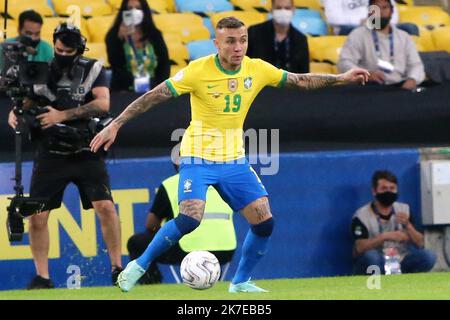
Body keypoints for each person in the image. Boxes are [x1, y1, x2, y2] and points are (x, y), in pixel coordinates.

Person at [90, 16, 369, 293]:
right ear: (217, 43)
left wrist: (341, 78)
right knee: (189, 218)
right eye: (231, 41)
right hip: (197, 156)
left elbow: (300, 81)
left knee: (264, 222)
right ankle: (138, 266)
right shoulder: (197, 71)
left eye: (243, 40)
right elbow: (154, 95)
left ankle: (240, 282)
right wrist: (116, 124)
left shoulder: (256, 68)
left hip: (234, 159)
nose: (238, 47)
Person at [7, 23, 122, 289]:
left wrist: (63, 115)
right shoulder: (41, 69)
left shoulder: (93, 68)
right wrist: (17, 112)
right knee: (38, 215)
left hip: (87, 148)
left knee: (105, 207)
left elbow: (103, 103)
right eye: (58, 49)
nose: (62, 54)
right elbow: (27, 101)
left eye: (68, 51)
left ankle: (118, 268)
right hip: (50, 153)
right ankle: (43, 276)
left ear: (78, 50)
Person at [127, 160, 236, 284]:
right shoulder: (220, 181)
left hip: (187, 249)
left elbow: (151, 225)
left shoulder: (171, 184)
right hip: (226, 251)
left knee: (136, 243)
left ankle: (151, 286)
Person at [351, 170, 436, 275]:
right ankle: (376, 285)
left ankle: (407, 284)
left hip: (400, 260)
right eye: (384, 189)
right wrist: (385, 237)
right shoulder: (361, 215)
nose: (388, 192)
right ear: (374, 191)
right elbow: (359, 248)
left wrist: (408, 226)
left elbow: (421, 243)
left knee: (429, 256)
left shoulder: (404, 209)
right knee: (371, 257)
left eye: (392, 188)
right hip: (377, 261)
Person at [337, 0, 425, 90]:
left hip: (400, 87)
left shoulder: (404, 37)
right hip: (369, 88)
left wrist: (412, 79)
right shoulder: (357, 35)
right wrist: (365, 74)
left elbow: (416, 65)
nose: (380, 12)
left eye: (385, 8)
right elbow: (344, 63)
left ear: (392, 11)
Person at [105, 0, 170, 93]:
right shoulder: (113, 36)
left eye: (138, 8)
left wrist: (157, 87)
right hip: (124, 91)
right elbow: (116, 65)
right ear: (124, 12)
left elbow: (164, 64)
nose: (134, 12)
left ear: (144, 11)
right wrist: (119, 40)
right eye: (129, 8)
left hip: (153, 89)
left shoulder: (155, 34)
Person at [247, 0, 309, 73]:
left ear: (293, 10)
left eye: (287, 8)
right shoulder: (254, 32)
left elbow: (304, 74)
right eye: (278, 8)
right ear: (271, 10)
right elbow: (246, 64)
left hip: (289, 83)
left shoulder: (301, 40)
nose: (283, 11)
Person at [322, 0, 419, 36]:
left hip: (380, 24)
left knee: (410, 28)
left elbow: (391, 10)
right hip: (352, 27)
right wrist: (360, 22)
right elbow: (333, 18)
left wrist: (383, 22)